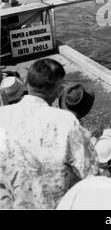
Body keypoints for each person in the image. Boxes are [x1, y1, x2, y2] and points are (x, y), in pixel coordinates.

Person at [0, 58, 98, 209]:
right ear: (58, 89)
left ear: (26, 84)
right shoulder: (66, 122)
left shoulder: (2, 115)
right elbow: (91, 173)